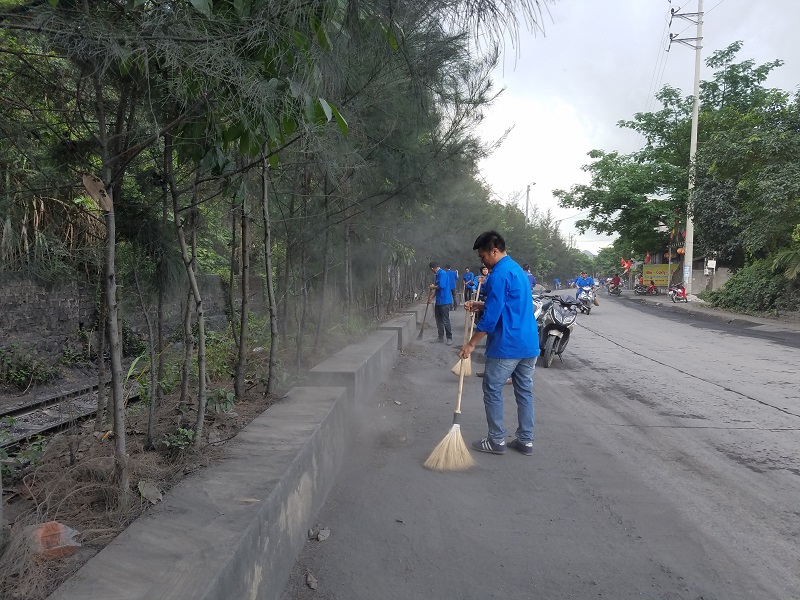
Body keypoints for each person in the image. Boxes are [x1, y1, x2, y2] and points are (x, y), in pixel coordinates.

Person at [460, 231, 539, 456]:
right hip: (529, 343)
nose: (481, 261)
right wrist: (481, 304)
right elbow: (509, 304)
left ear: (494, 251)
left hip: (508, 343)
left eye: (483, 256)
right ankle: (525, 441)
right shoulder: (518, 271)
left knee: (492, 387)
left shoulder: (498, 275)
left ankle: (496, 440)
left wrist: (471, 343)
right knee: (524, 390)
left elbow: (493, 317)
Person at [428, 261, 453, 345]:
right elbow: (437, 289)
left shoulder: (442, 274)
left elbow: (441, 286)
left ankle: (449, 338)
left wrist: (432, 287)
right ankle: (440, 337)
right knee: (438, 320)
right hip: (439, 301)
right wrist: (431, 298)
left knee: (445, 320)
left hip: (445, 301)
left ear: (432, 269)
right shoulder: (437, 275)